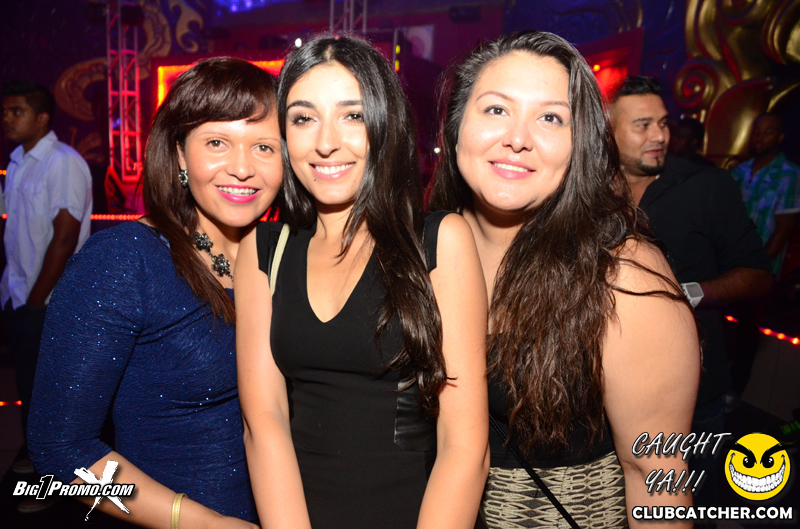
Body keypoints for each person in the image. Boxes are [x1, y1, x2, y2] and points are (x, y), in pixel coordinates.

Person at [427, 31, 700, 528]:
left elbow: (656, 475)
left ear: (581, 144)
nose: (518, 138)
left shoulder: (622, 276)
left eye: (550, 117)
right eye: (496, 109)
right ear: (455, 126)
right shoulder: (418, 249)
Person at [236, 35, 489, 529]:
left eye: (352, 115)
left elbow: (464, 446)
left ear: (384, 124)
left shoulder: (438, 240)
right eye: (303, 118)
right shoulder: (264, 250)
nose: (325, 141)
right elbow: (264, 424)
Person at [27, 57, 282, 528]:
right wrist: (203, 523)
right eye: (217, 142)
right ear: (180, 154)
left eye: (264, 146)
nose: (243, 167)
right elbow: (60, 452)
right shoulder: (124, 260)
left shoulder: (284, 253)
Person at [608, 76, 772, 510]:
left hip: (692, 392)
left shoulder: (705, 186)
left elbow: (758, 274)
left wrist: (693, 293)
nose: (659, 135)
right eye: (642, 125)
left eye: (663, 123)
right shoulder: (590, 193)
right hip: (607, 388)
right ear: (608, 131)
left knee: (689, 504)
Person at [1, 80, 92, 491]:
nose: (6, 119)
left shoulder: (62, 161)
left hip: (48, 300)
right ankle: (36, 456)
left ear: (41, 118)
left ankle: (55, 481)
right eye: (5, 112)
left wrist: (38, 300)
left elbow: (65, 235)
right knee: (29, 386)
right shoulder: (18, 160)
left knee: (53, 395)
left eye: (16, 111)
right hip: (18, 293)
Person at [727, 112, 800, 405]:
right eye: (756, 132)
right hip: (727, 264)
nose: (759, 137)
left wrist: (759, 268)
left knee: (747, 333)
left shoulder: (790, 175)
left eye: (768, 132)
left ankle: (734, 392)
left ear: (780, 137)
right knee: (721, 329)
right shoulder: (739, 171)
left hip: (759, 269)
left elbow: (784, 230)